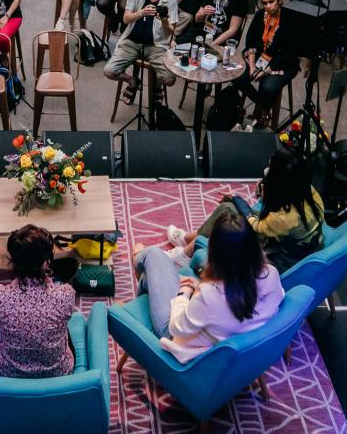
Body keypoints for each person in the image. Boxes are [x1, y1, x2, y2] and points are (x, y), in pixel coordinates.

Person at [132, 212, 283, 361]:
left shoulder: (209, 295)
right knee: (155, 274)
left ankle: (138, 258)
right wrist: (202, 288)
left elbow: (175, 327)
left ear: (216, 253)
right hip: (240, 354)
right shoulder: (271, 274)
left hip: (182, 341)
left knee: (153, 254)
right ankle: (146, 276)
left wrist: (184, 294)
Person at [165, 149, 325, 275]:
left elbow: (255, 225)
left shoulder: (284, 218)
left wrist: (237, 199)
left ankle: (185, 253)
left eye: (271, 170)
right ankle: (187, 242)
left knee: (227, 215)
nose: (267, 171)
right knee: (227, 209)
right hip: (290, 242)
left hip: (280, 259)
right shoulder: (309, 192)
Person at [0, 224, 75, 378]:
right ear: (46, 262)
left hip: (8, 373)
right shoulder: (66, 295)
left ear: (13, 262)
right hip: (57, 373)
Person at [103, 0, 182, 104]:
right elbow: (126, 19)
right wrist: (141, 12)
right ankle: (133, 81)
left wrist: (164, 20)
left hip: (156, 46)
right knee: (109, 71)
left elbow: (172, 31)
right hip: (131, 42)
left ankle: (157, 85)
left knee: (169, 79)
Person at [233, 0, 299, 126]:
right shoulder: (260, 15)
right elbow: (250, 41)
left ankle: (262, 111)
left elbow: (289, 52)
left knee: (267, 87)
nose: (267, 6)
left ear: (279, 1)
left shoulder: (290, 19)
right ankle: (263, 108)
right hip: (260, 58)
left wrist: (265, 71)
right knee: (236, 76)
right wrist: (251, 66)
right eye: (264, 3)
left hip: (282, 62)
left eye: (271, 2)